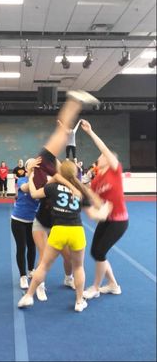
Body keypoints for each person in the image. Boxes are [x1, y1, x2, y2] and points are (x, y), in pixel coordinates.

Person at [30, 90, 102, 301]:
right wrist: (29, 172)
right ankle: (39, 286)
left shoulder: (58, 173)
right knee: (62, 132)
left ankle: (69, 277)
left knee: (63, 132)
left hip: (56, 222)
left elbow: (71, 181)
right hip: (42, 220)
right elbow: (31, 191)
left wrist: (69, 183)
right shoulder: (49, 176)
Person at [18, 160, 112, 312]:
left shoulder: (52, 187)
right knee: (79, 267)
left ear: (60, 173)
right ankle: (79, 301)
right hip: (76, 231)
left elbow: (34, 193)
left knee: (43, 265)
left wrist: (31, 176)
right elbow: (94, 215)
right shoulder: (81, 190)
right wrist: (105, 211)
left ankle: (28, 296)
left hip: (58, 230)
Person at [80, 119, 129, 300]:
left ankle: (95, 287)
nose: (99, 156)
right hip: (107, 219)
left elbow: (103, 149)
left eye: (103, 155)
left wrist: (90, 132)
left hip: (119, 221)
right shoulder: (96, 180)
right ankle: (113, 285)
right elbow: (95, 202)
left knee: (99, 252)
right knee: (96, 252)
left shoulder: (114, 170)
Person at [11, 159, 39, 290]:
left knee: (32, 246)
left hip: (33, 221)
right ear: (26, 169)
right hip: (18, 220)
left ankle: (31, 270)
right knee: (21, 247)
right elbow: (26, 188)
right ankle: (23, 276)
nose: (34, 167)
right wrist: (32, 173)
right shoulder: (22, 180)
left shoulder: (40, 181)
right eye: (31, 165)